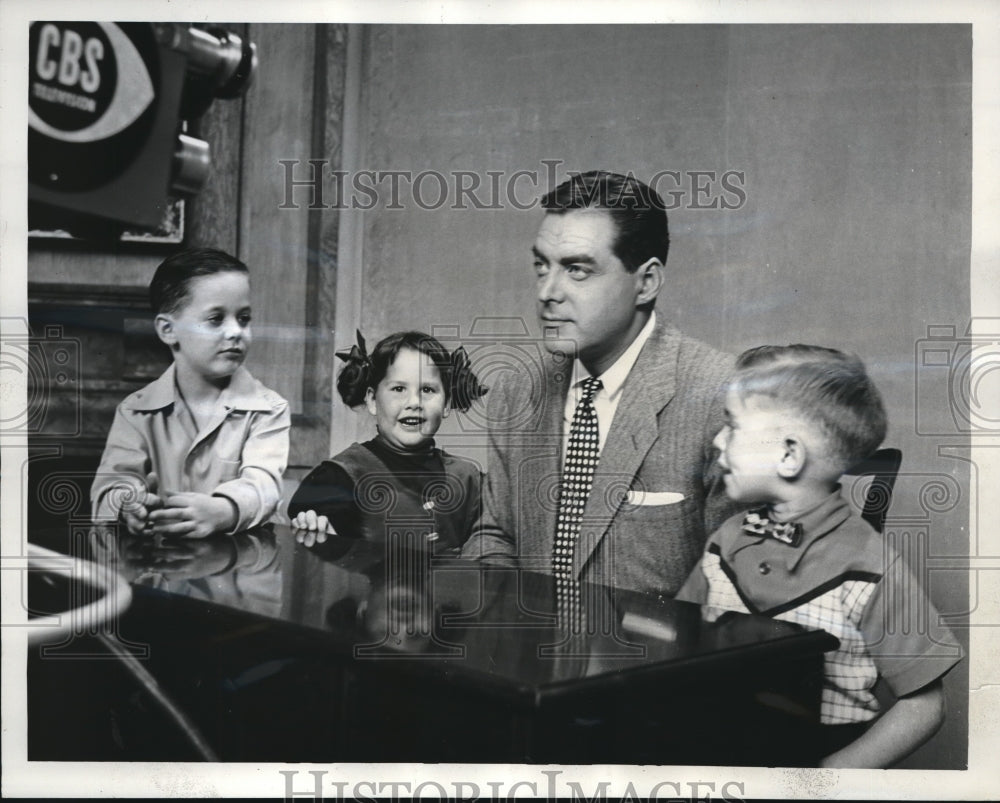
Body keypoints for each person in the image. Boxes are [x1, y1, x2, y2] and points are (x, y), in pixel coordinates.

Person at [675, 345, 962, 768]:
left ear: (789, 455)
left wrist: (829, 780)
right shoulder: (726, 540)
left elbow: (923, 708)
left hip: (816, 755)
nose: (717, 441)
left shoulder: (871, 569)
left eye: (731, 426)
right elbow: (676, 641)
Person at [460, 170, 736, 596]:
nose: (548, 292)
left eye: (577, 270)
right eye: (542, 266)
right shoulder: (518, 389)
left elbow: (738, 581)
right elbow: (495, 535)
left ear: (646, 282)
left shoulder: (721, 394)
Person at [90, 248, 290, 538]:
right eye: (216, 319)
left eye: (244, 318)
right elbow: (110, 483)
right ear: (168, 330)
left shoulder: (269, 409)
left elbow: (264, 485)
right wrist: (128, 503)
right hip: (157, 566)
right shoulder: (135, 411)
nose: (236, 331)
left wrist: (224, 511)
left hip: (237, 570)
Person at [288, 330, 486, 553]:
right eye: (399, 389)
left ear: (447, 403)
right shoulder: (341, 476)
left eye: (428, 390)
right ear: (372, 400)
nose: (414, 402)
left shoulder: (468, 478)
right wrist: (316, 529)